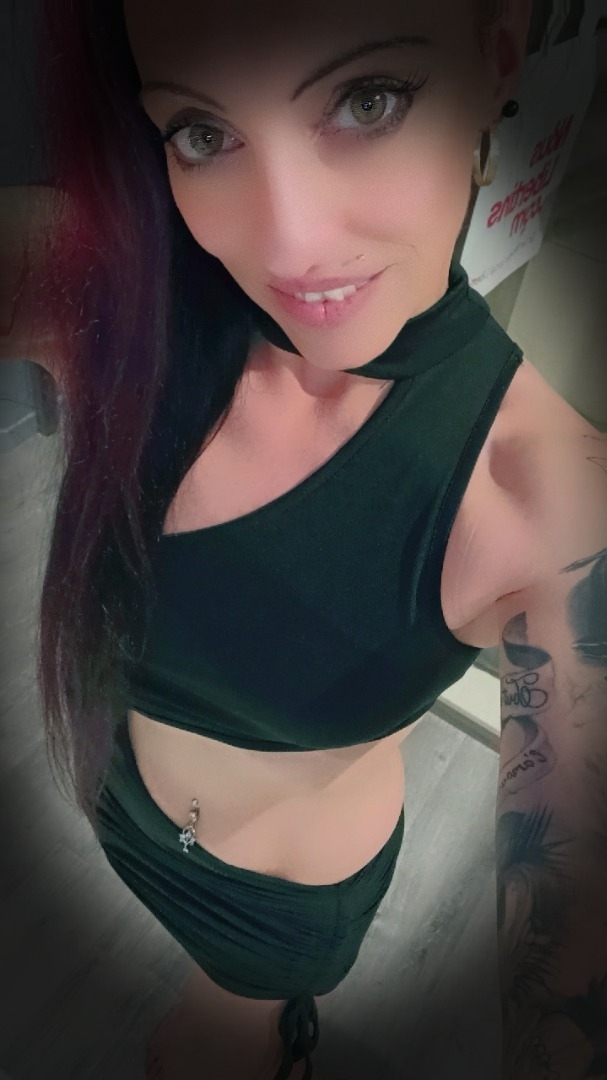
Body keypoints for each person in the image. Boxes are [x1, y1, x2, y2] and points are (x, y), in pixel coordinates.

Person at [5, 0, 606, 1078]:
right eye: (202, 132)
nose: (286, 242)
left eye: (368, 100)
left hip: (261, 903)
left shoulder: (551, 505)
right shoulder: (133, 298)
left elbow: (569, 1001)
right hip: (110, 791)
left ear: (496, 56)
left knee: (201, 1053)